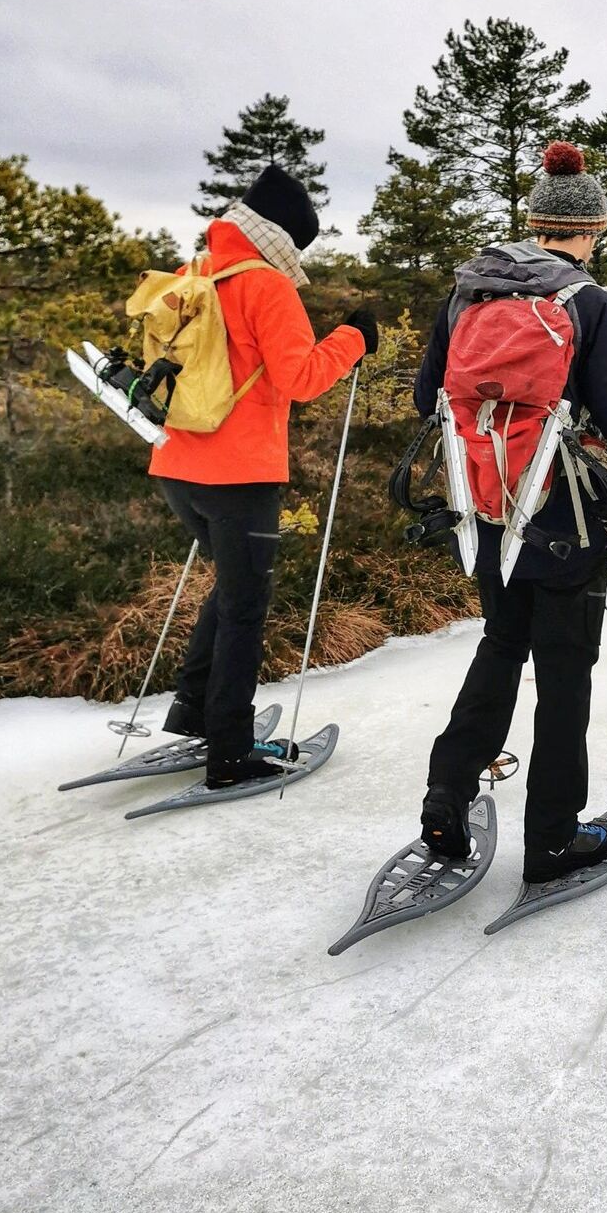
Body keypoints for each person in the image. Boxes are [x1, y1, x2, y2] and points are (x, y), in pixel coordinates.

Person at [411, 142, 607, 881]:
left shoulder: (466, 294)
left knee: (499, 646)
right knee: (563, 677)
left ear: (531, 221)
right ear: (591, 231)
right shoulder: (588, 302)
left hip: (486, 513)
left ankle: (445, 797)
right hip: (564, 520)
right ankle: (552, 841)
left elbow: (430, 400)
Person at [152, 163, 377, 787]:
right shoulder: (265, 286)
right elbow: (302, 378)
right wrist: (354, 337)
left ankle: (196, 710)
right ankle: (230, 752)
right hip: (240, 475)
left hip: (177, 465)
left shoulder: (194, 272)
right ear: (280, 238)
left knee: (231, 589)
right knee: (246, 607)